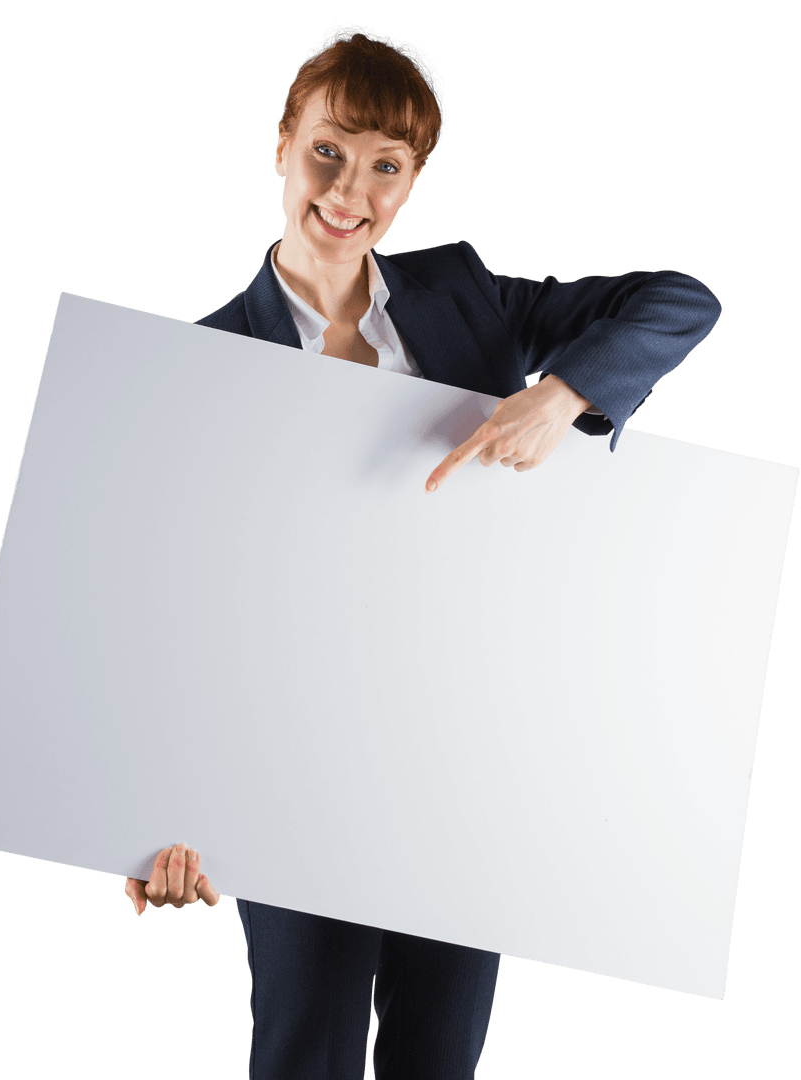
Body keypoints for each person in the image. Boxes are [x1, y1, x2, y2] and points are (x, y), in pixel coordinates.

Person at [124, 22, 722, 1080]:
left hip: (461, 762)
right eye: (327, 150)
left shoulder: (464, 297)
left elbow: (680, 300)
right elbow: (163, 615)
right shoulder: (199, 362)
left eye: (385, 166)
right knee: (304, 1059)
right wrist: (149, 820)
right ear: (279, 146)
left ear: (413, 182)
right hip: (289, 770)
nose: (350, 189)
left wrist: (560, 393)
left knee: (439, 1063)